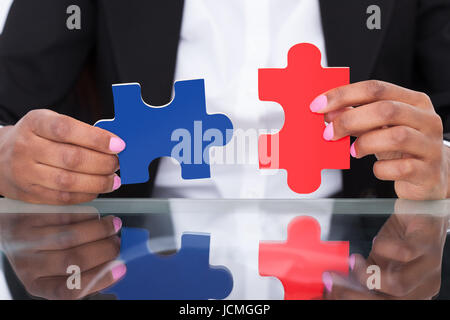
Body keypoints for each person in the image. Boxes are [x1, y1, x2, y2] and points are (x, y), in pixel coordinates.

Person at [0, 0, 450, 300]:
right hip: (134, 254)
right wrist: (5, 154)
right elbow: (7, 111)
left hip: (360, 253)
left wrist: (443, 160)